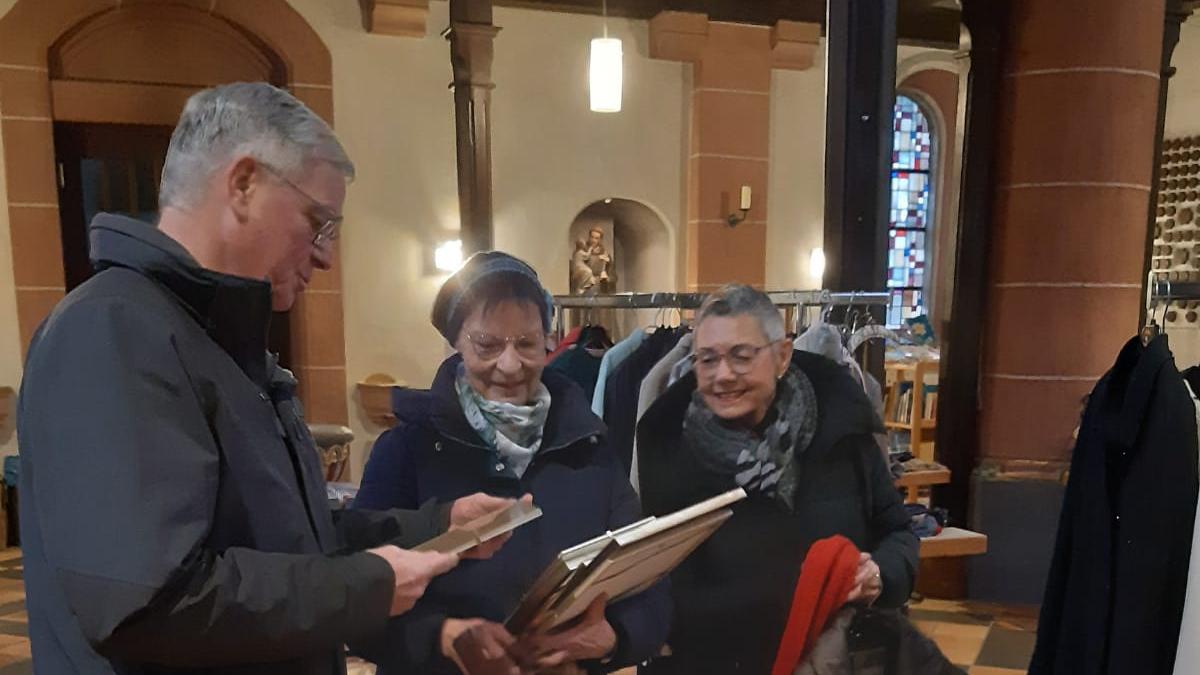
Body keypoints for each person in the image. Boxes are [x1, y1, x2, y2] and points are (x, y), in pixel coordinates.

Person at [17, 82, 516, 675]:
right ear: (244, 184)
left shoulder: (216, 342)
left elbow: (286, 535)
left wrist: (435, 527)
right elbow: (148, 602)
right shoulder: (112, 330)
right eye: (319, 221)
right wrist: (366, 585)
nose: (327, 256)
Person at [352, 251, 671, 674]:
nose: (509, 364)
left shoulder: (587, 445)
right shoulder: (407, 450)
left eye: (526, 343)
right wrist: (442, 638)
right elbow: (358, 597)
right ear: (457, 344)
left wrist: (614, 636)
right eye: (487, 345)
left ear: (548, 341)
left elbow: (648, 578)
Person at [636, 284, 918, 675]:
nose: (723, 375)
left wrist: (880, 575)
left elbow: (898, 531)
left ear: (782, 355)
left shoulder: (841, 425)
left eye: (741, 356)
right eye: (708, 359)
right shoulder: (666, 440)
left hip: (834, 661)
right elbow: (652, 572)